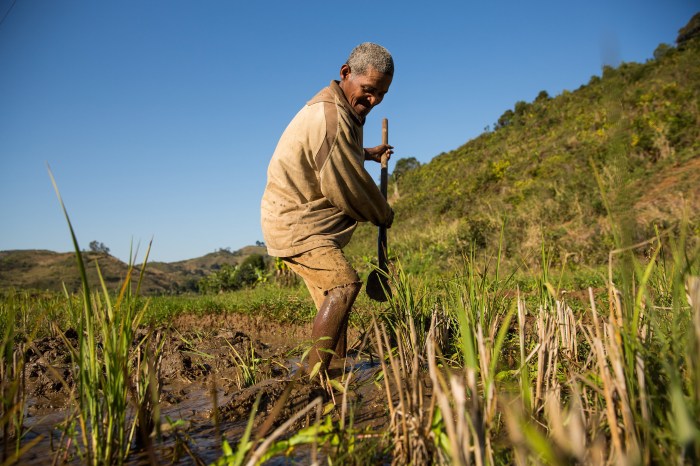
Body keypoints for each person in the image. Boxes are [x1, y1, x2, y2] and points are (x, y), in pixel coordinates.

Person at [260, 42, 395, 375]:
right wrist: (383, 213)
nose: (373, 101)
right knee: (343, 285)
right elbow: (346, 183)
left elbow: (338, 149)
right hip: (296, 223)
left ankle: (333, 374)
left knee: (336, 311)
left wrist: (368, 152)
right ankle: (309, 378)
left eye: (381, 94)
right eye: (368, 90)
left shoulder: (341, 107)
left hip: (306, 219)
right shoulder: (330, 117)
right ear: (346, 73)